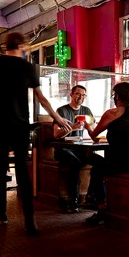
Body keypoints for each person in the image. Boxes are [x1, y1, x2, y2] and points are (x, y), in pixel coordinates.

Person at [0, 32, 72, 236]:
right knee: (22, 172)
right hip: (20, 128)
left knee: (1, 171)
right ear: (20, 45)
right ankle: (30, 222)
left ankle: (1, 214)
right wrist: (57, 118)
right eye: (27, 46)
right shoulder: (27, 67)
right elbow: (41, 98)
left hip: (1, 126)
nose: (28, 49)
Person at [82, 81, 129, 225]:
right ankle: (91, 198)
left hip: (119, 164)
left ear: (117, 96)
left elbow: (94, 136)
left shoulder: (112, 113)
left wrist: (87, 126)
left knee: (95, 167)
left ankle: (101, 208)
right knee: (97, 163)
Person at [52, 85, 95, 213]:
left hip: (80, 149)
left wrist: (89, 127)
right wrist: (73, 128)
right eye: (78, 94)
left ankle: (93, 198)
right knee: (74, 162)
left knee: (99, 161)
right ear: (71, 95)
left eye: (83, 95)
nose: (80, 97)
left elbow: (94, 131)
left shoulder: (87, 111)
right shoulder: (61, 111)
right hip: (63, 150)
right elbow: (56, 134)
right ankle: (73, 201)